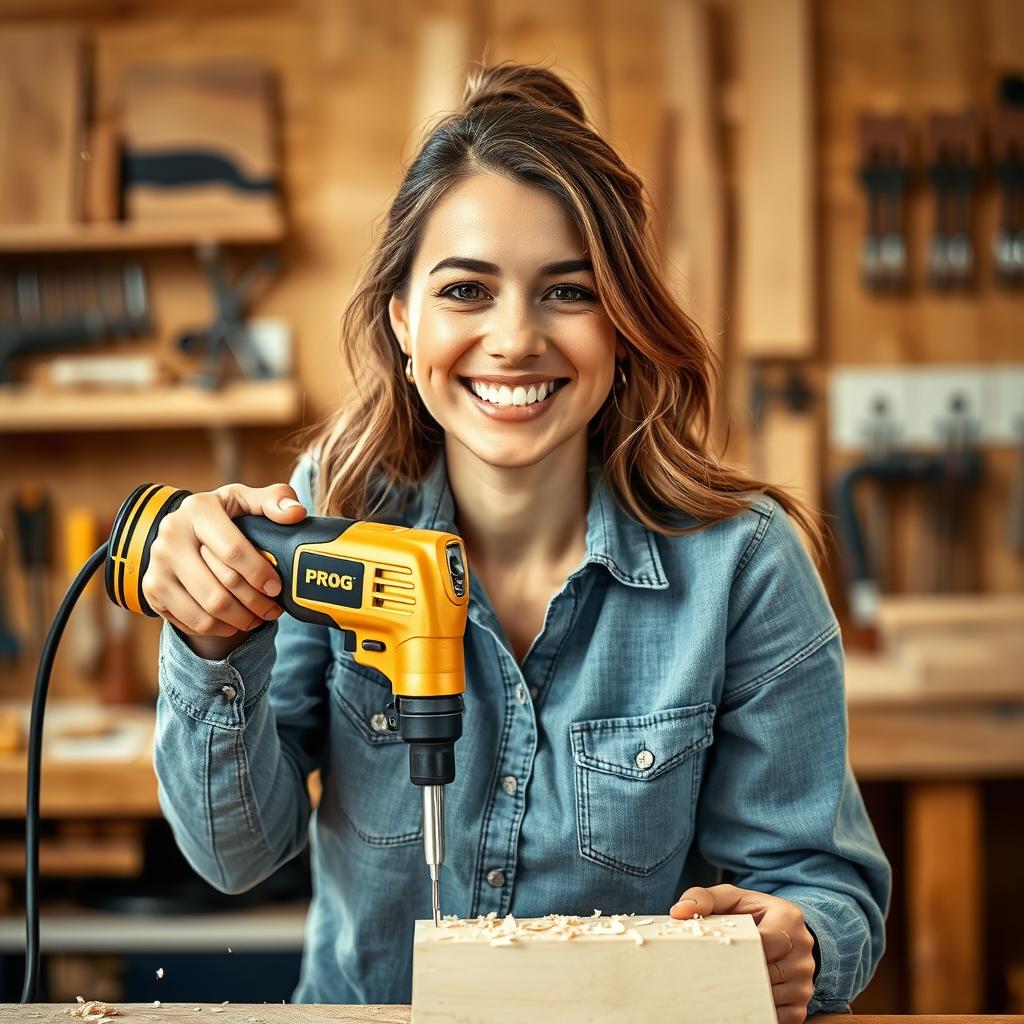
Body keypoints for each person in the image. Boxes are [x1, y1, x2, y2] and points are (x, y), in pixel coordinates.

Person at [147, 62, 890, 1023]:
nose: (514, 339)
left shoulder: (743, 569)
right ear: (403, 323)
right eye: (465, 290)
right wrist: (213, 642)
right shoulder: (321, 520)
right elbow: (235, 855)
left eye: (568, 292)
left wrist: (801, 943)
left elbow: (824, 892)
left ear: (622, 326)